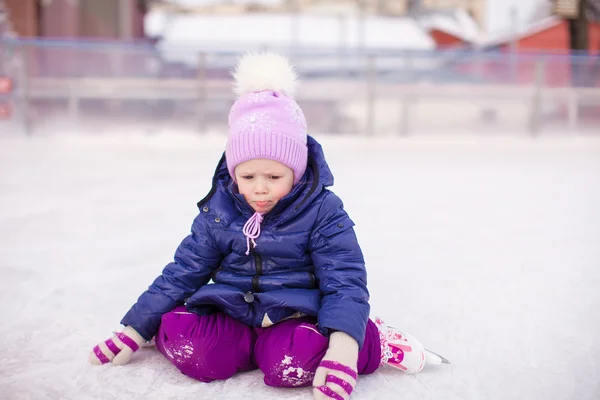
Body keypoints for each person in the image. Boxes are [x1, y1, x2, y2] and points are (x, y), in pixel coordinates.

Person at [89, 52, 443, 400]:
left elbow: (344, 279)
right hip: (233, 310)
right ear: (233, 173)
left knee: (292, 362)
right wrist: (137, 328)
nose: (259, 187)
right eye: (247, 176)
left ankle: (373, 342)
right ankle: (238, 347)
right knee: (188, 342)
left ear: (297, 171)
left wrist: (345, 349)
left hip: (295, 314)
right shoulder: (220, 210)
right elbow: (184, 271)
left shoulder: (323, 211)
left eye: (274, 176)